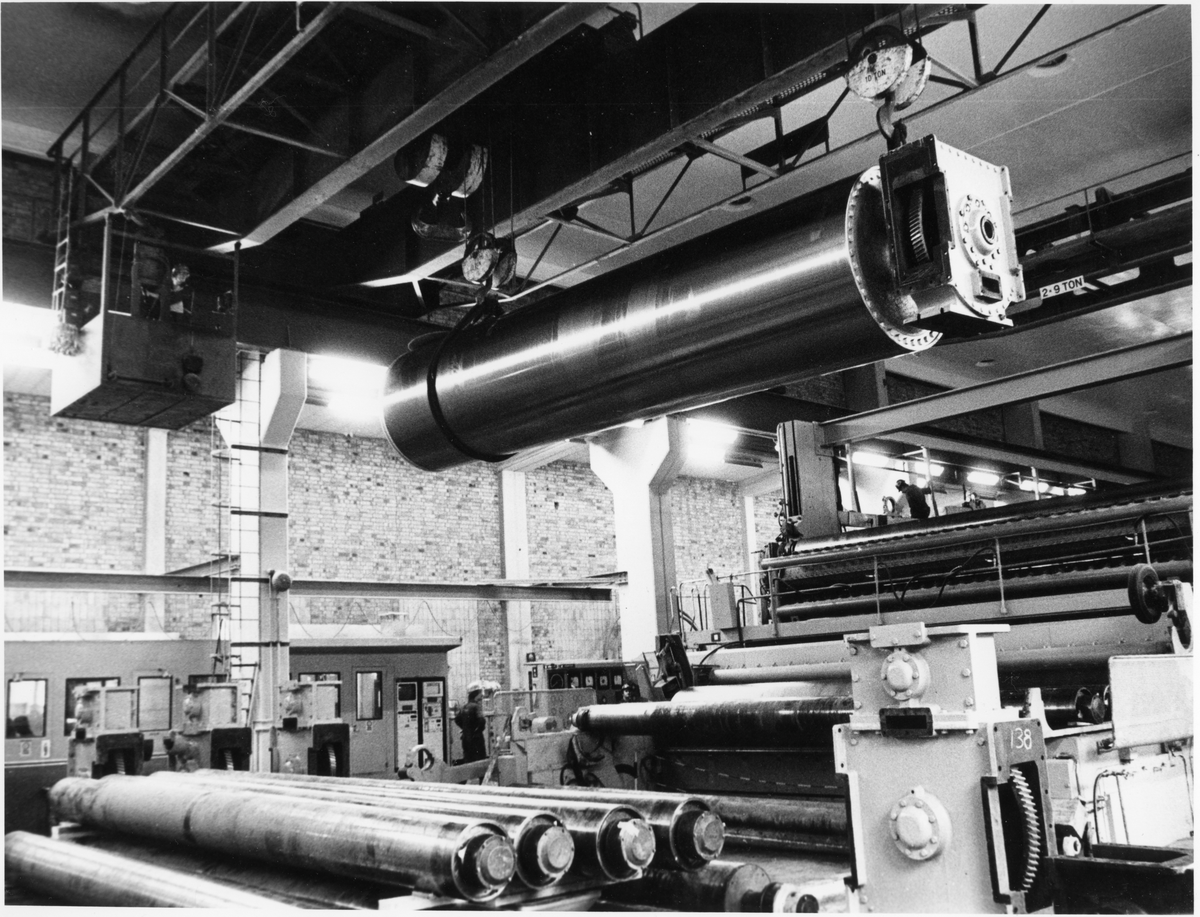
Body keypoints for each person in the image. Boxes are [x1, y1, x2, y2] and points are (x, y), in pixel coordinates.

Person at [454, 681, 487, 763]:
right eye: (480, 692)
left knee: (468, 761)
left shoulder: (464, 707)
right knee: (479, 763)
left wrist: (465, 728)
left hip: (466, 739)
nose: (482, 695)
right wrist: (476, 730)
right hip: (476, 740)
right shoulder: (476, 707)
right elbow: (482, 721)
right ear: (475, 693)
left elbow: (457, 719)